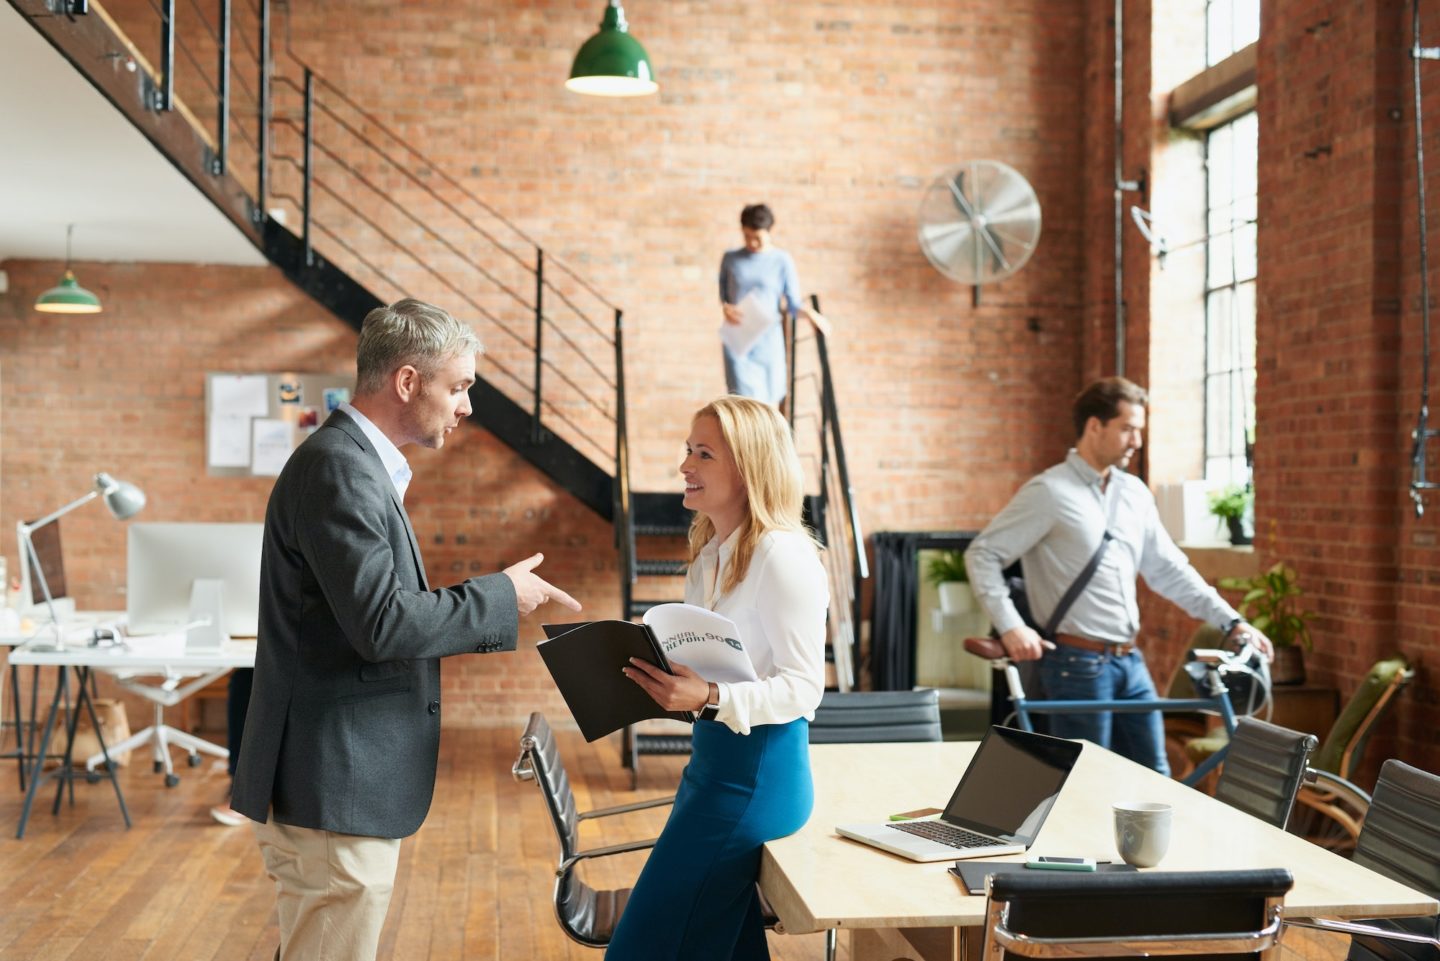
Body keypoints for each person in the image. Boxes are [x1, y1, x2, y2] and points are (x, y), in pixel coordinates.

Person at [230, 298, 580, 961]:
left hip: (332, 780)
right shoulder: (341, 467)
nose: (467, 406)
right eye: (460, 386)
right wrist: (503, 593)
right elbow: (383, 622)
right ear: (408, 382)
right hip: (332, 784)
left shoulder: (352, 463)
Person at [608, 396, 828, 961]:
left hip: (757, 778)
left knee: (639, 950)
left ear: (749, 467)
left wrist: (707, 695)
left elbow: (805, 688)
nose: (685, 465)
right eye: (688, 450)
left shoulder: (784, 557)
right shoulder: (709, 554)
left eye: (703, 454)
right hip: (709, 771)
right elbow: (717, 670)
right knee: (728, 948)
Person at [964, 376, 1272, 775]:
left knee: (1155, 779)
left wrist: (1231, 622)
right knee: (1086, 783)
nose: (1137, 442)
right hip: (1075, 663)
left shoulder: (1134, 494)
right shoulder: (1049, 492)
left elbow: (1169, 571)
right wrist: (1011, 626)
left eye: (1139, 431)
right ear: (1095, 427)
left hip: (1129, 660)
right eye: (1127, 429)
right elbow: (983, 553)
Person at [718, 203, 830, 406]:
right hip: (739, 340)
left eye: (757, 238)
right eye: (747, 236)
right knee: (742, 403)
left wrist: (812, 315)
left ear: (769, 232)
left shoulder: (781, 260)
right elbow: (724, 297)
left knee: (769, 401)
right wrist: (726, 308)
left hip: (768, 341)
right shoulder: (730, 259)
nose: (752, 243)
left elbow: (793, 303)